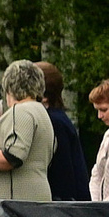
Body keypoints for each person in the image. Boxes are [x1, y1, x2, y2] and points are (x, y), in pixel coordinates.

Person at [0, 60, 56, 202]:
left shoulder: (20, 111)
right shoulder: (41, 112)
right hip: (34, 197)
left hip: (14, 206)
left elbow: (13, 156)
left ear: (9, 88)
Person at [35, 64, 89, 202]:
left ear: (44, 96)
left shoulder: (54, 121)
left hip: (65, 207)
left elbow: (64, 172)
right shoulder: (56, 118)